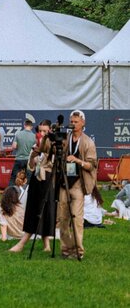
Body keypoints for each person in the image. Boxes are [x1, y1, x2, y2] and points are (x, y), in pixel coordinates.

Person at [57, 110, 97, 259]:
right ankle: (66, 249)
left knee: (77, 219)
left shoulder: (88, 142)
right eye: (71, 122)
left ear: (83, 123)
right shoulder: (65, 138)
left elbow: (91, 166)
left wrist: (77, 160)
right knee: (62, 219)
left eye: (76, 122)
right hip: (64, 182)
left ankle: (78, 251)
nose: (73, 124)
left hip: (78, 184)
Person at [10, 120, 56, 253]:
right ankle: (45, 244)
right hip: (36, 180)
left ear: (50, 131)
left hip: (47, 181)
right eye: (40, 131)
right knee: (33, 209)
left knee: (45, 210)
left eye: (45, 131)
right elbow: (30, 167)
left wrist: (44, 153)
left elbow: (52, 164)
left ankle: (24, 243)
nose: (42, 133)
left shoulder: (53, 146)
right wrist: (33, 157)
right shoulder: (35, 145)